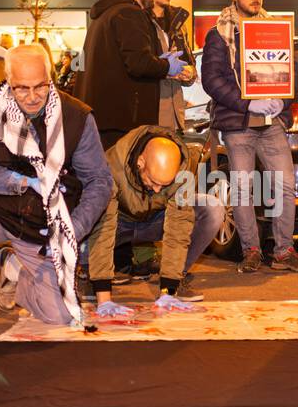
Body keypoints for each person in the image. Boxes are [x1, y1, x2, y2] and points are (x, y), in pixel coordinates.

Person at [0, 44, 113, 323]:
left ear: (50, 78)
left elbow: (100, 181)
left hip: (43, 223)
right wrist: (19, 181)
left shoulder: (76, 116)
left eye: (40, 86)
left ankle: (16, 271)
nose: (31, 97)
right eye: (21, 88)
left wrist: (72, 231)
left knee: (61, 317)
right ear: (7, 81)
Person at [200, 0, 298, 273]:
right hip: (239, 124)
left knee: (286, 186)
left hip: (272, 124)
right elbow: (211, 79)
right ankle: (251, 251)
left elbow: (289, 72)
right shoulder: (220, 33)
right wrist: (249, 103)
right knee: (242, 189)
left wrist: (282, 101)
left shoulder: (274, 30)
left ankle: (284, 251)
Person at [86, 126, 223, 315]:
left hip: (154, 220)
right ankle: (88, 276)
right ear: (140, 162)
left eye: (164, 185)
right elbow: (104, 230)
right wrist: (104, 298)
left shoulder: (183, 171)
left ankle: (175, 280)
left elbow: (178, 229)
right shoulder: (111, 166)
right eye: (153, 182)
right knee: (84, 214)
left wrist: (168, 290)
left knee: (211, 207)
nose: (158, 190)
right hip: (118, 224)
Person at [77, 0, 186, 147]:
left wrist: (157, 62)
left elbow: (121, 60)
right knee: (122, 174)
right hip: (123, 120)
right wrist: (167, 66)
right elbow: (139, 63)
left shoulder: (105, 15)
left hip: (105, 117)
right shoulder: (129, 13)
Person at [151, 0, 198, 133]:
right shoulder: (139, 21)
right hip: (150, 112)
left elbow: (190, 65)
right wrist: (165, 68)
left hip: (175, 113)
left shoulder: (178, 22)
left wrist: (190, 73)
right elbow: (138, 65)